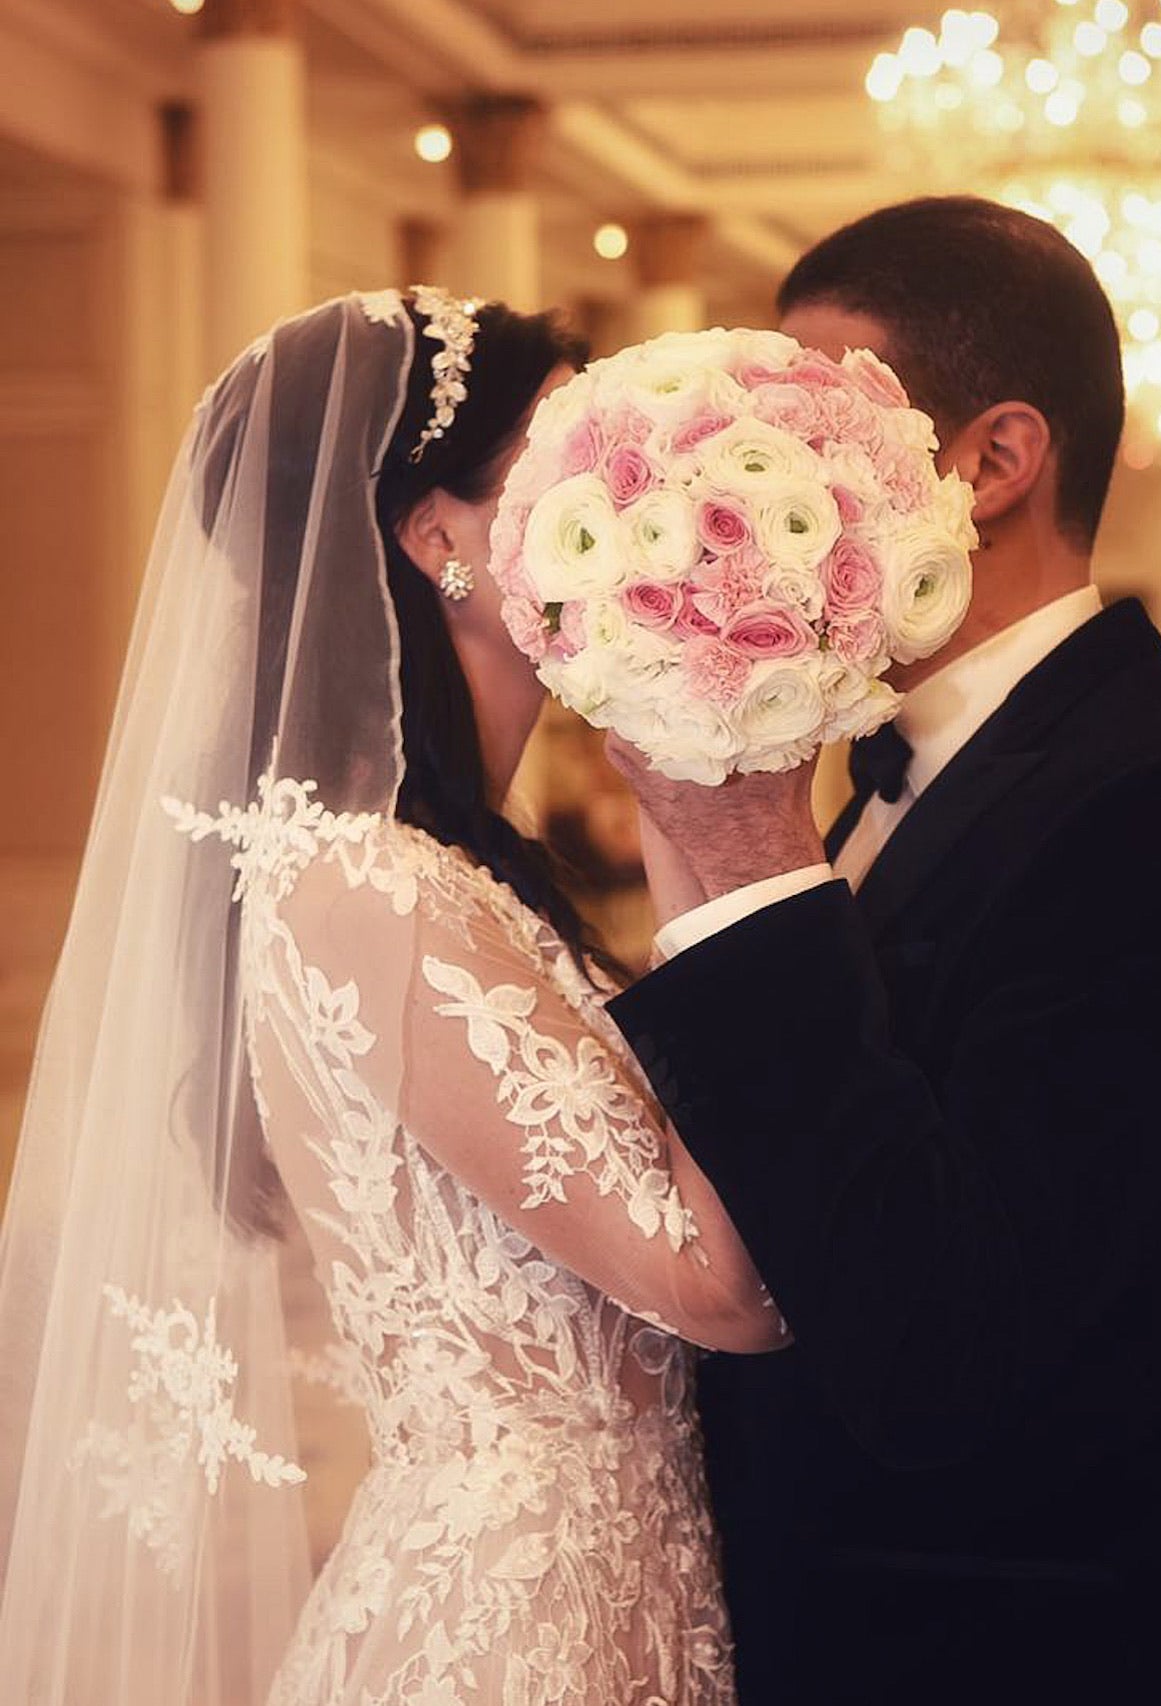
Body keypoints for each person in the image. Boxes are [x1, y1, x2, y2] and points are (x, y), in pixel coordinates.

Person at [604, 197, 1161, 1704]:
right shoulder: (890, 765)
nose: (756, 489)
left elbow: (951, 1354)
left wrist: (754, 865)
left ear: (990, 460)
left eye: (814, 427)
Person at [0, 288, 786, 1706]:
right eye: (573, 473)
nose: (629, 511)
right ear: (439, 541)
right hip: (519, 1625)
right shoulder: (371, 889)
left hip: (616, 1573)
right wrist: (710, 840)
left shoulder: (449, 868)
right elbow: (721, 1285)